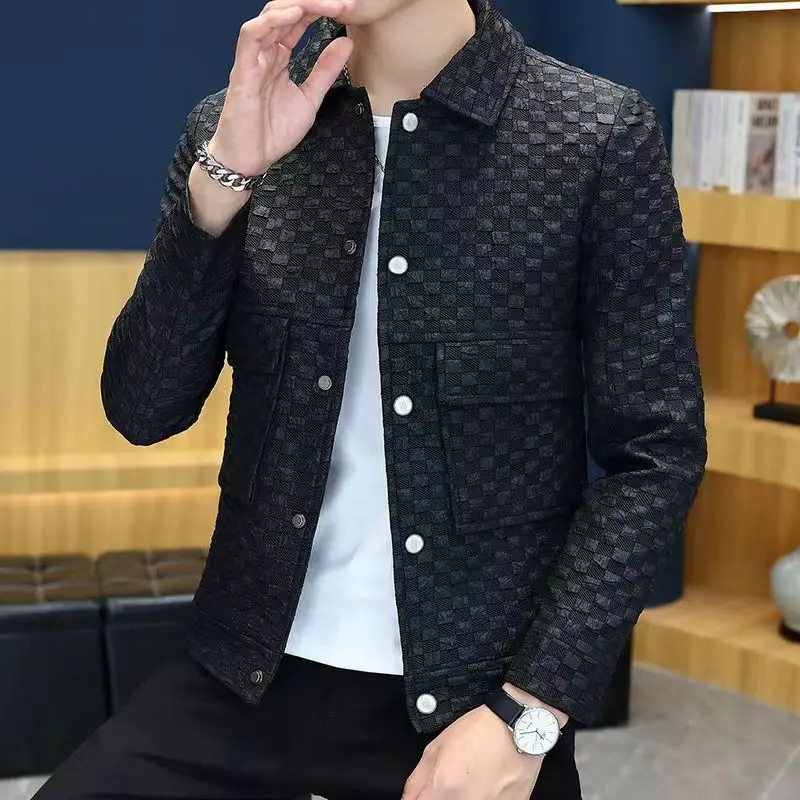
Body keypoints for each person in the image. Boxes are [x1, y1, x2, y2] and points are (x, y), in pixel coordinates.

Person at [35, 0, 707, 798]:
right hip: (242, 673)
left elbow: (655, 454)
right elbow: (143, 408)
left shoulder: (593, 135)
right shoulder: (233, 126)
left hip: (472, 705)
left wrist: (528, 711)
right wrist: (221, 184)